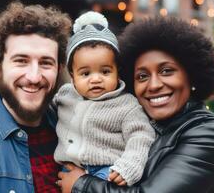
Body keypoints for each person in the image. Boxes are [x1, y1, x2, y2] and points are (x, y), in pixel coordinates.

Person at [56, 16, 214, 193]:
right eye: (142, 76)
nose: (154, 85)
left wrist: (81, 184)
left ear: (191, 75)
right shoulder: (144, 118)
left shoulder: (210, 134)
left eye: (166, 71)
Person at [0, 1, 71, 192]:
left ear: (59, 70)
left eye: (46, 63)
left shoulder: (75, 128)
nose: (33, 77)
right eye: (21, 61)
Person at [53, 11, 155, 187]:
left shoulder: (126, 105)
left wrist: (129, 166)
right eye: (85, 73)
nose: (96, 79)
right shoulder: (65, 95)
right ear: (72, 76)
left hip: (109, 170)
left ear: (117, 72)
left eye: (105, 71)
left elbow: (141, 136)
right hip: (68, 168)